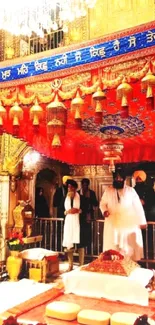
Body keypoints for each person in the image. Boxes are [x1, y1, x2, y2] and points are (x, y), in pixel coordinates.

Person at [100, 169, 147, 261]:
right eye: (116, 178)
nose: (118, 179)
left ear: (124, 179)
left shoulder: (131, 191)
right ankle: (114, 266)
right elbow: (102, 203)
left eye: (120, 178)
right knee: (113, 245)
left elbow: (138, 207)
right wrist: (104, 211)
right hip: (112, 223)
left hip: (127, 224)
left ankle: (127, 265)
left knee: (127, 245)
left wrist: (142, 221)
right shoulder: (108, 190)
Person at [63, 179, 89, 271]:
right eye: (68, 187)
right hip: (69, 223)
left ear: (75, 188)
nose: (70, 189)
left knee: (80, 245)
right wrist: (66, 212)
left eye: (71, 187)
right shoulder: (65, 198)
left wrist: (79, 211)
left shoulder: (81, 198)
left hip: (79, 223)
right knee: (69, 245)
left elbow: (86, 209)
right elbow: (60, 209)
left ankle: (81, 265)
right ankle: (70, 265)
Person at [78, 178, 98, 254]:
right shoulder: (78, 193)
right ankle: (81, 252)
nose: (85, 186)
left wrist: (89, 200)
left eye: (86, 185)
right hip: (80, 216)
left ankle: (89, 251)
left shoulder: (91, 193)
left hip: (88, 216)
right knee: (80, 234)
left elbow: (96, 203)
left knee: (89, 234)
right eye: (83, 185)